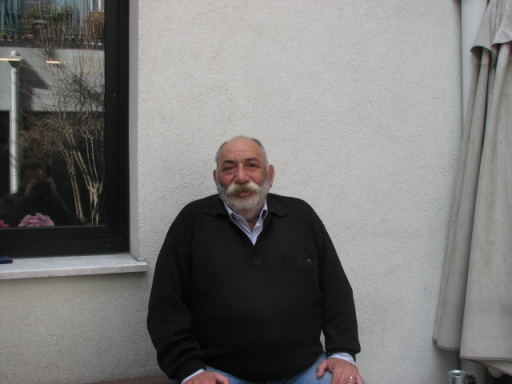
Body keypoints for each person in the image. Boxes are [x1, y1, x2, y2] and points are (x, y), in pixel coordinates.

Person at [147, 136, 365, 384]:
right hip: (220, 374)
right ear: (216, 177)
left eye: (252, 165)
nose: (241, 177)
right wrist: (190, 370)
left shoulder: (301, 217)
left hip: (307, 371)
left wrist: (342, 353)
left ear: (270, 174)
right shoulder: (191, 223)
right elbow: (165, 307)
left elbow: (336, 290)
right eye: (229, 168)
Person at [0, 160, 80, 227]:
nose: (34, 185)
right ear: (22, 182)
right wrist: (25, 199)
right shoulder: (9, 201)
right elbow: (8, 224)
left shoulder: (50, 202)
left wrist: (54, 196)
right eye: (30, 181)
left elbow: (70, 222)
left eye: (38, 181)